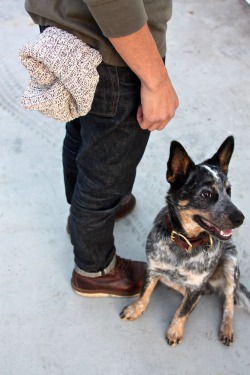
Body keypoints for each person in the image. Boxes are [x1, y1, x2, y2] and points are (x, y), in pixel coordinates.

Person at [24, 0, 179, 297]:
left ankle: (81, 218)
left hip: (66, 23)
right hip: (114, 48)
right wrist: (156, 81)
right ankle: (95, 270)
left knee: (83, 133)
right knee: (106, 172)